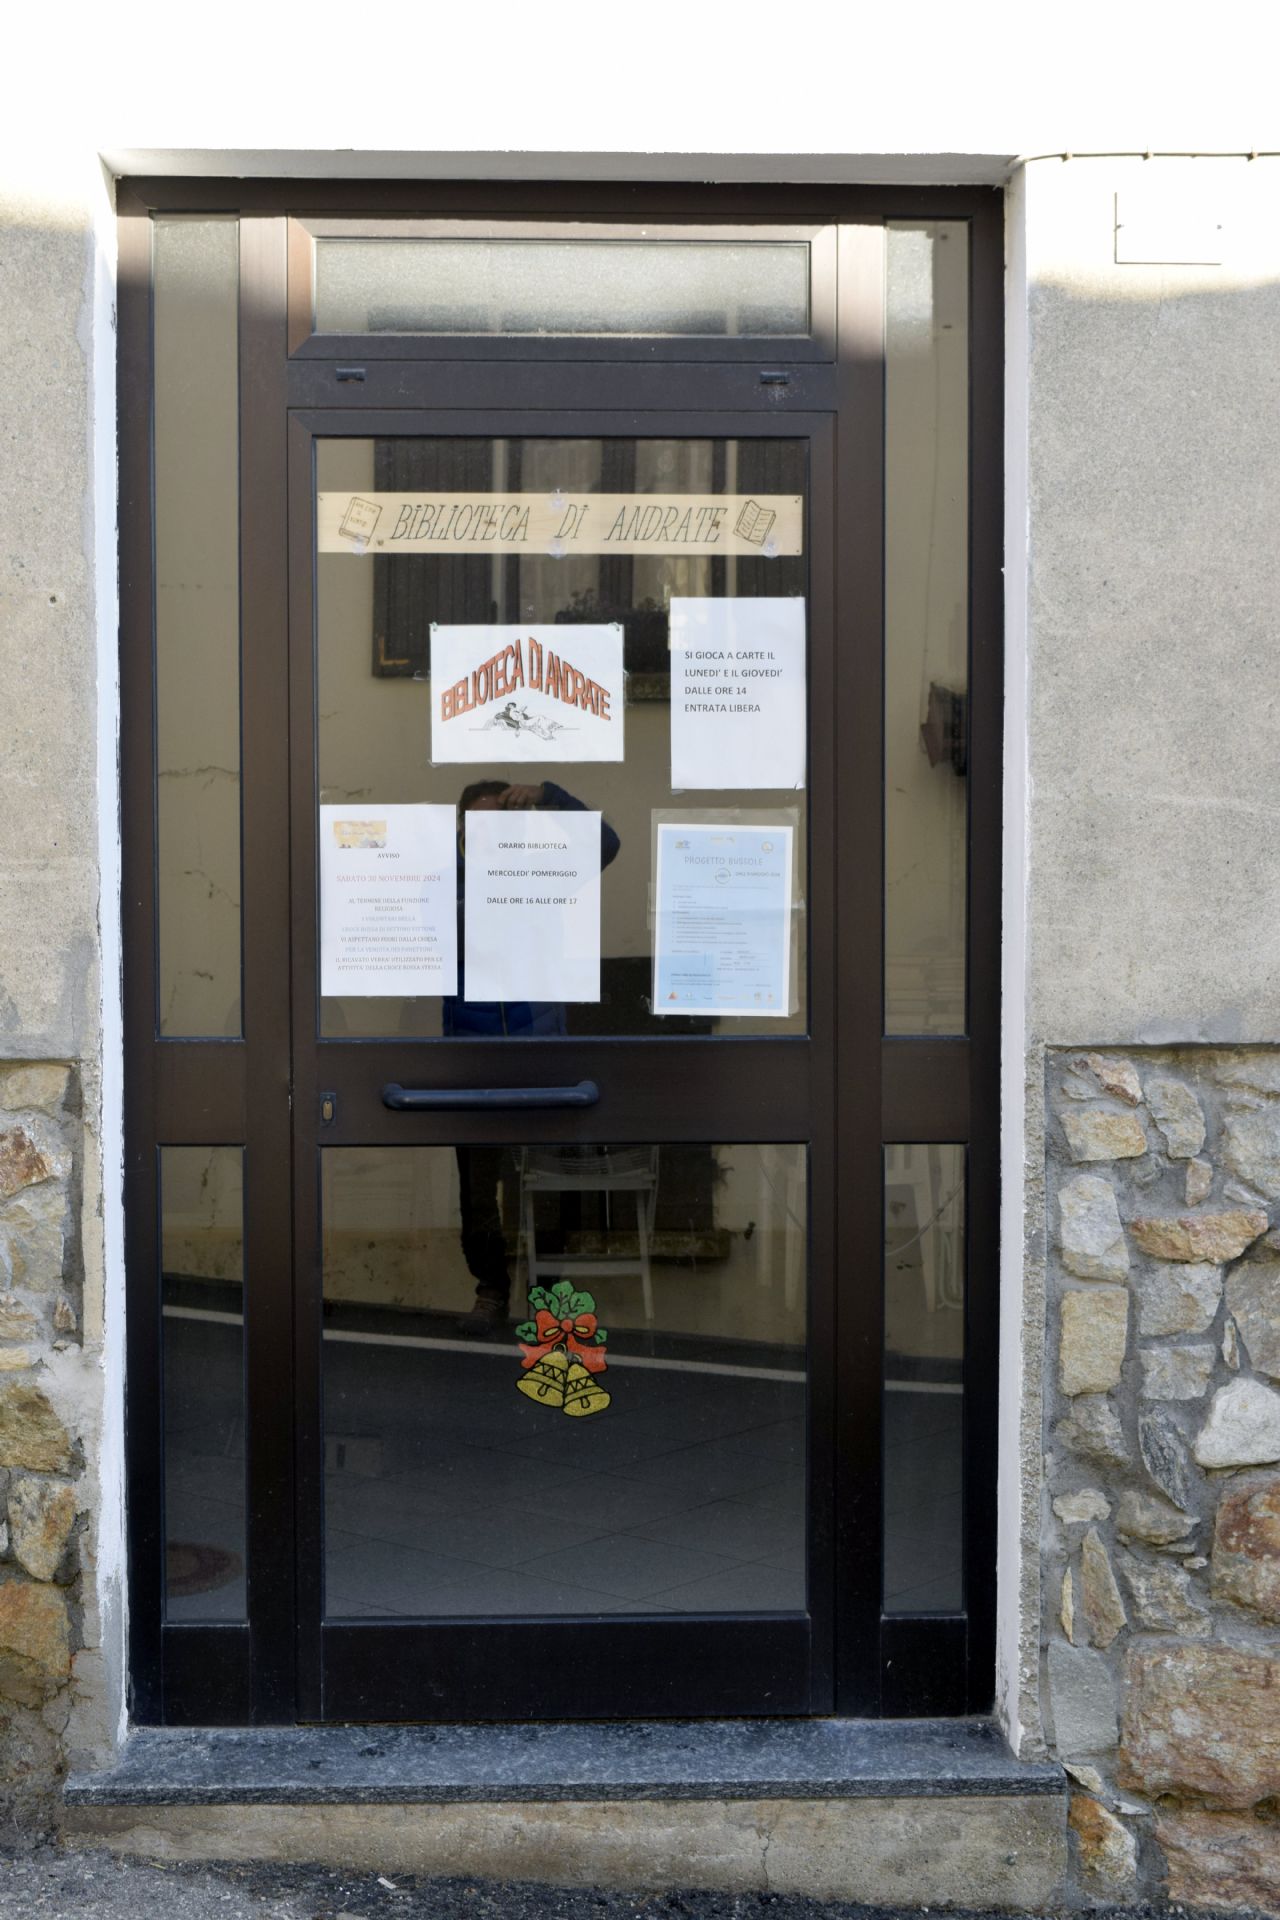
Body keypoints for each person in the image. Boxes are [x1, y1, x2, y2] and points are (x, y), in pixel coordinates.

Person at [449, 779, 620, 1337]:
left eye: (501, 821)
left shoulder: (543, 872)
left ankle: (547, 1297)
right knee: (479, 1189)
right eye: (478, 823)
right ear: (462, 830)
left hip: (540, 1050)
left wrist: (550, 796)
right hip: (473, 1058)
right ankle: (491, 1290)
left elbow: (606, 843)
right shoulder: (445, 881)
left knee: (546, 1183)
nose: (489, 833)